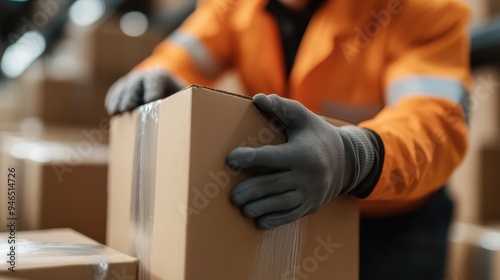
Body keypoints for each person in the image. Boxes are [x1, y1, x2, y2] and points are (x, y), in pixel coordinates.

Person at [105, 0, 471, 279]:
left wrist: (351, 156)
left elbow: (437, 123)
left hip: (397, 224)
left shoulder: (422, 9)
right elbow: (184, 52)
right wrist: (158, 76)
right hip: (299, 202)